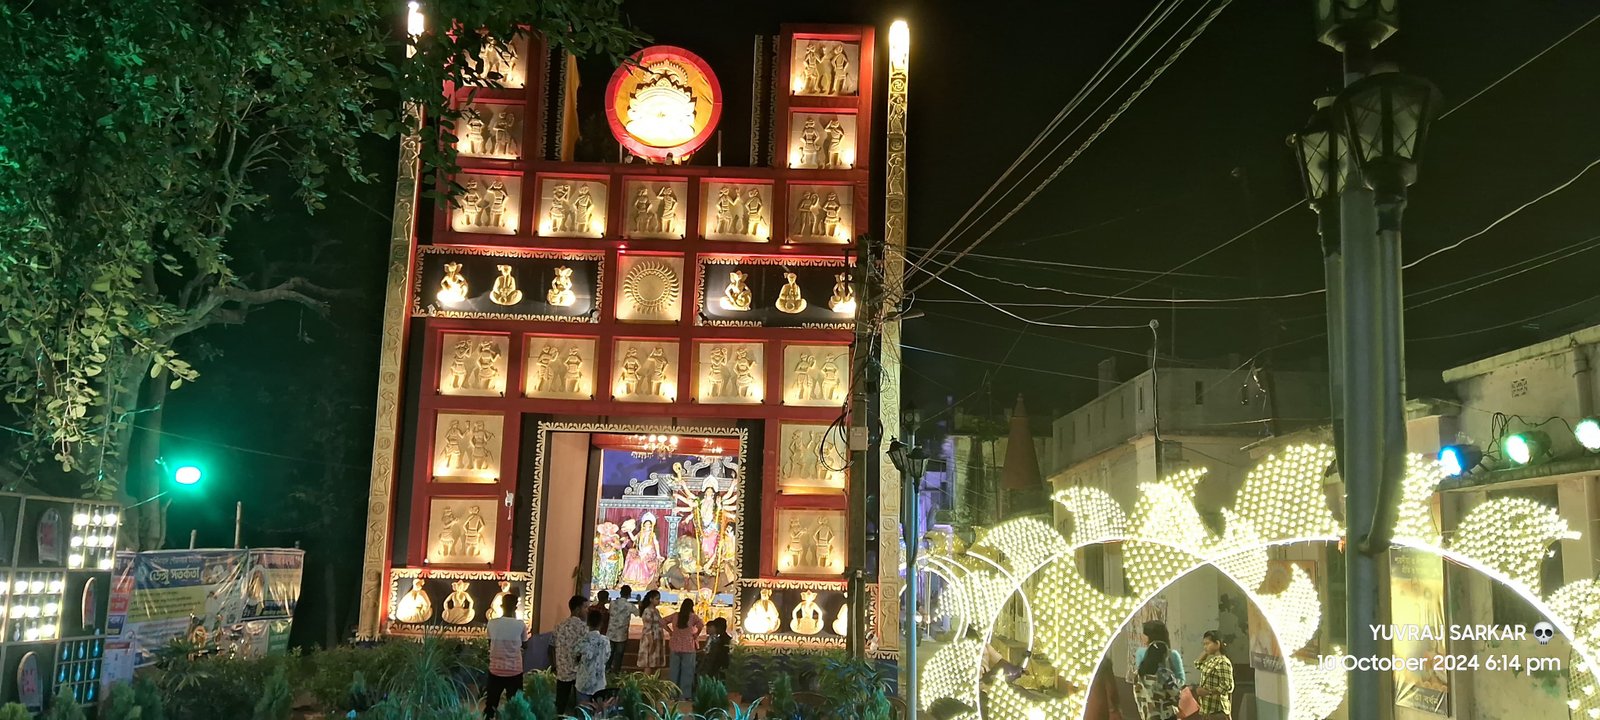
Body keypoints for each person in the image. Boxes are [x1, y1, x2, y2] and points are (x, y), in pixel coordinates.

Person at [484, 596, 529, 720]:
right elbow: (526, 645)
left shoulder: (492, 623)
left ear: (501, 606)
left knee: (491, 704)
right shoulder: (520, 625)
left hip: (495, 669)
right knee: (515, 705)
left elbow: (490, 644)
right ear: (516, 607)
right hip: (514, 670)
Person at [1130, 620, 1185, 720]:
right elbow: (1176, 694)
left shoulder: (1138, 674)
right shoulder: (1164, 674)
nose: (1141, 637)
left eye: (1143, 634)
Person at [553, 595, 591, 714]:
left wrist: (555, 665)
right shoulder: (583, 628)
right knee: (579, 706)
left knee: (560, 703)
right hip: (578, 672)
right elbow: (585, 650)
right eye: (585, 607)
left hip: (562, 671)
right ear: (577, 609)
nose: (587, 611)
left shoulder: (559, 625)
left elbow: (551, 647)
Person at [667, 598, 705, 700]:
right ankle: (685, 695)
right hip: (688, 647)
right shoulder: (693, 617)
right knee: (687, 672)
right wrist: (696, 634)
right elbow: (702, 624)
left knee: (674, 671)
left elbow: (661, 621)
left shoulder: (675, 615)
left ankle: (672, 694)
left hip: (675, 646)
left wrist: (670, 631)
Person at [1194, 630, 1235, 720]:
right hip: (1207, 710)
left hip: (1217, 711)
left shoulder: (1223, 662)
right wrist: (1206, 652)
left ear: (1217, 644)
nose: (1205, 647)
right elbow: (1198, 664)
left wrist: (1208, 692)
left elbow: (1228, 685)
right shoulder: (1212, 661)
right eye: (1204, 644)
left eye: (1207, 644)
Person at [575, 608, 612, 705]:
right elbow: (606, 658)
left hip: (583, 683)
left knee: (583, 713)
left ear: (588, 623)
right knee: (598, 713)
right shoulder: (605, 641)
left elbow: (576, 654)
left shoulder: (582, 639)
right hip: (599, 683)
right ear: (601, 624)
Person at [635, 590, 670, 679]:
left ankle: (654, 682)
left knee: (655, 663)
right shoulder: (647, 611)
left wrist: (670, 632)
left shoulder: (656, 610)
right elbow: (647, 628)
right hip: (650, 639)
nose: (658, 601)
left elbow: (661, 622)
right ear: (651, 599)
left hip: (657, 638)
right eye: (657, 599)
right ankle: (647, 683)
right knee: (649, 663)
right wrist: (651, 643)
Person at [607, 585, 637, 673]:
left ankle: (607, 671)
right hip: (621, 634)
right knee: (619, 656)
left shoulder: (612, 603)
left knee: (609, 654)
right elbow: (638, 613)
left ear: (620, 593)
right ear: (629, 595)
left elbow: (609, 612)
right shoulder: (630, 606)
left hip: (611, 632)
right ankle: (616, 673)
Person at [699, 617, 732, 682]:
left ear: (719, 628)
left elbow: (716, 655)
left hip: (718, 666)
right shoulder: (725, 638)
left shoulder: (721, 640)